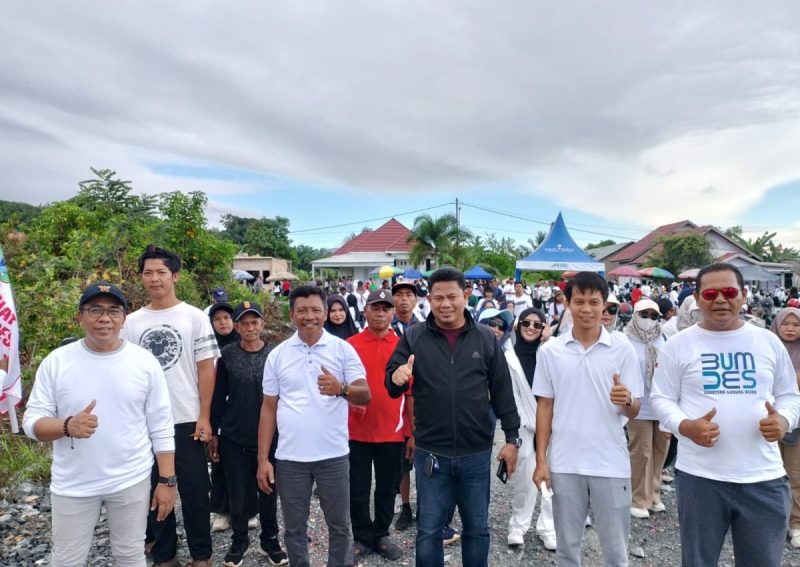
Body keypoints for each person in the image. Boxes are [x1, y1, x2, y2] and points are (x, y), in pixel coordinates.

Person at [651, 263, 800, 567]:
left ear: (743, 295)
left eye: (729, 292)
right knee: (698, 562)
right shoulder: (679, 344)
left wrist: (784, 420)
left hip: (764, 478)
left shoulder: (768, 342)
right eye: (711, 293)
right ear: (698, 298)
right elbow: (661, 398)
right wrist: (685, 426)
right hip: (701, 478)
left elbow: (790, 396)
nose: (720, 299)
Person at [23, 282, 176, 567]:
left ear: (123, 318)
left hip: (131, 478)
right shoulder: (56, 363)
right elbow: (32, 423)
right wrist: (67, 426)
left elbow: (161, 425)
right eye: (95, 310)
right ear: (80, 316)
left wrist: (167, 481)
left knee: (130, 555)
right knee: (67, 559)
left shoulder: (144, 362)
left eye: (113, 311)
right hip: (73, 484)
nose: (104, 318)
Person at [386, 267, 521, 567]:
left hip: (475, 453)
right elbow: (390, 383)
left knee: (477, 529)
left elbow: (502, 391)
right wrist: (396, 377)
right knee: (429, 530)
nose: (445, 304)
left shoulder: (486, 339)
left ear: (466, 296)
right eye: (438, 298)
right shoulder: (414, 337)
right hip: (431, 453)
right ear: (429, 299)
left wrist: (512, 438)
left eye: (452, 297)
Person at [533, 271, 643, 567]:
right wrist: (541, 461)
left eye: (594, 302)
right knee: (567, 550)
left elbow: (635, 409)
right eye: (579, 301)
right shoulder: (551, 351)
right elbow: (545, 407)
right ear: (567, 303)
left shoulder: (622, 349)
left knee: (616, 552)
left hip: (611, 462)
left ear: (605, 305)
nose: (586, 309)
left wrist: (627, 400)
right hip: (565, 462)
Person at [257, 286, 371, 567]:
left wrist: (340, 388)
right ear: (292, 314)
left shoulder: (342, 349)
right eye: (302, 310)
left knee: (340, 526)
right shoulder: (278, 355)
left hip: (333, 455)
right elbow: (268, 408)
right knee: (294, 529)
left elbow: (365, 393)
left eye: (316, 310)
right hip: (290, 458)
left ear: (325, 313)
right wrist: (263, 459)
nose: (309, 316)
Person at [121, 245, 219, 567]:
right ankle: (164, 555)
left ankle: (201, 556)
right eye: (148, 273)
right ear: (141, 278)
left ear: (175, 276)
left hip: (186, 418)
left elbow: (206, 369)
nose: (155, 278)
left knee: (194, 492)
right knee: (154, 491)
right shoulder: (131, 322)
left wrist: (204, 416)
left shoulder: (194, 317)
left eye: (161, 272)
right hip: (144, 422)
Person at [209, 301, 288, 567]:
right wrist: (215, 432)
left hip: (270, 436)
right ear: (236, 326)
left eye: (254, 322)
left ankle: (270, 540)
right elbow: (218, 396)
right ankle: (239, 540)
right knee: (238, 491)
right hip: (234, 435)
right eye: (244, 323)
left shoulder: (276, 354)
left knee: (268, 490)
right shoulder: (228, 355)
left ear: (262, 325)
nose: (250, 328)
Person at [346, 290, 406, 560]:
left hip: (392, 431)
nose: (381, 313)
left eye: (386, 308)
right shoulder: (350, 345)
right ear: (365, 311)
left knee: (386, 487)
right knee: (357, 487)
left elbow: (412, 392)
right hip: (355, 430)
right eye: (375, 307)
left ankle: (381, 533)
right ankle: (361, 536)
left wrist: (411, 432)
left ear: (393, 313)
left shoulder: (404, 345)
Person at [506, 307, 557, 550]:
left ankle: (548, 527)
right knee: (525, 479)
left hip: (553, 424)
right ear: (518, 325)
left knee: (552, 475)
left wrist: (549, 339)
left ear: (544, 329)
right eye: (526, 322)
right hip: (524, 424)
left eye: (537, 325)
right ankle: (518, 525)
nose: (531, 328)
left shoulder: (551, 352)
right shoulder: (507, 356)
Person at [623, 299, 668, 519]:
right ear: (635, 314)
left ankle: (654, 494)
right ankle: (638, 498)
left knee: (660, 450)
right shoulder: (625, 338)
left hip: (660, 402)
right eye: (644, 314)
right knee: (641, 451)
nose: (649, 320)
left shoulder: (663, 337)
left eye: (653, 316)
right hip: (638, 403)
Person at [389, 281, 424, 531]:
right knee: (401, 462)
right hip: (396, 400)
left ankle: (427, 506)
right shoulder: (385, 328)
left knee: (425, 459)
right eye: (398, 294)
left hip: (423, 401)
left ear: (416, 299)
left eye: (408, 295)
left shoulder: (425, 327)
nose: (403, 299)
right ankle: (405, 505)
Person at [208, 302, 241, 533]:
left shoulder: (244, 345)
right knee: (218, 462)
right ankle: (222, 511)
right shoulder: (206, 348)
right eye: (217, 319)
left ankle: (247, 510)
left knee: (243, 466)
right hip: (215, 411)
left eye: (227, 318)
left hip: (241, 413)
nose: (223, 323)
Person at [771, 307, 800, 548]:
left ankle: (796, 522)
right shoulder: (767, 348)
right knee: (770, 473)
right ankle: (772, 520)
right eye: (785, 323)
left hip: (796, 422)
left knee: (794, 472)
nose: (790, 328)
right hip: (767, 420)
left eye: (796, 324)